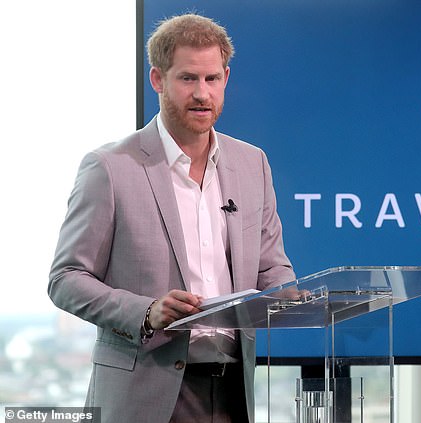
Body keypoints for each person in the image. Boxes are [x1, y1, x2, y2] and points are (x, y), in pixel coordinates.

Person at [48, 13, 295, 423]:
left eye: (212, 79)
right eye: (188, 79)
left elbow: (272, 266)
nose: (202, 93)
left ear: (226, 79)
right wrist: (146, 311)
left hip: (235, 391)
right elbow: (66, 279)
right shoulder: (110, 167)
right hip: (145, 390)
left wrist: (289, 295)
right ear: (158, 80)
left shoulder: (253, 164)